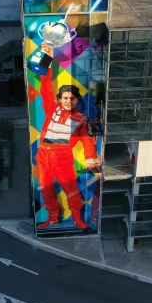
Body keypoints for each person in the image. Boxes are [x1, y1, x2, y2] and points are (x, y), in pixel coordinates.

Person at [36, 43, 100, 230]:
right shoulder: (51, 107)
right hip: (44, 156)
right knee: (47, 191)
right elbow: (46, 83)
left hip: (63, 158)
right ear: (59, 99)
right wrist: (47, 57)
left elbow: (88, 140)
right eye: (65, 97)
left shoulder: (80, 119)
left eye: (72, 98)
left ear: (76, 100)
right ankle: (53, 218)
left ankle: (77, 219)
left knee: (72, 191)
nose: (68, 101)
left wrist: (90, 158)